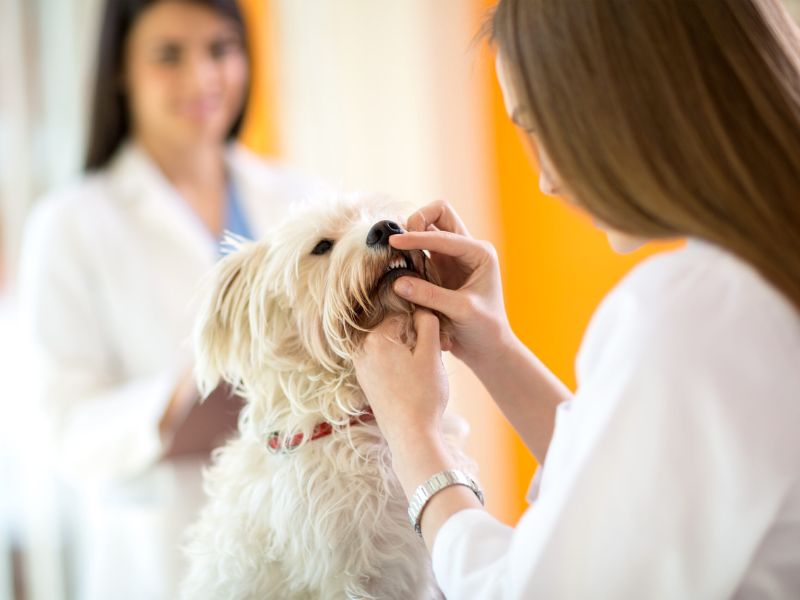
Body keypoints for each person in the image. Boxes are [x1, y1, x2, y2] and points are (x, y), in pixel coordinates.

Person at [354, 0, 800, 597]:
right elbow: (644, 485)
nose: (545, 178)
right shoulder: (751, 284)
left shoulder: (693, 310)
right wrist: (495, 349)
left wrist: (415, 437)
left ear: (626, 96)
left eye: (541, 126)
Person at [18, 1, 321, 598]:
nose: (203, 78)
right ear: (120, 73)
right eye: (168, 56)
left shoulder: (301, 199)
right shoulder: (71, 222)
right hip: (162, 559)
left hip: (307, 539)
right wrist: (174, 401)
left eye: (220, 50)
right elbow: (64, 427)